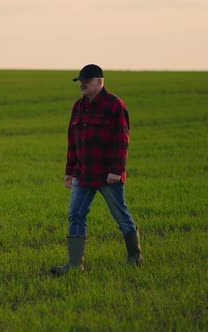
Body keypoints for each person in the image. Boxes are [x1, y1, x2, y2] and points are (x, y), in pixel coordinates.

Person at [50, 64, 143, 275]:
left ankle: (135, 257)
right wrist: (69, 170)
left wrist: (117, 170)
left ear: (99, 82)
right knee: (75, 215)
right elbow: (72, 141)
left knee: (120, 215)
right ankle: (75, 266)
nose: (82, 85)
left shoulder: (115, 106)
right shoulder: (78, 107)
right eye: (80, 82)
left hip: (107, 175)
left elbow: (122, 140)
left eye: (86, 82)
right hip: (83, 173)